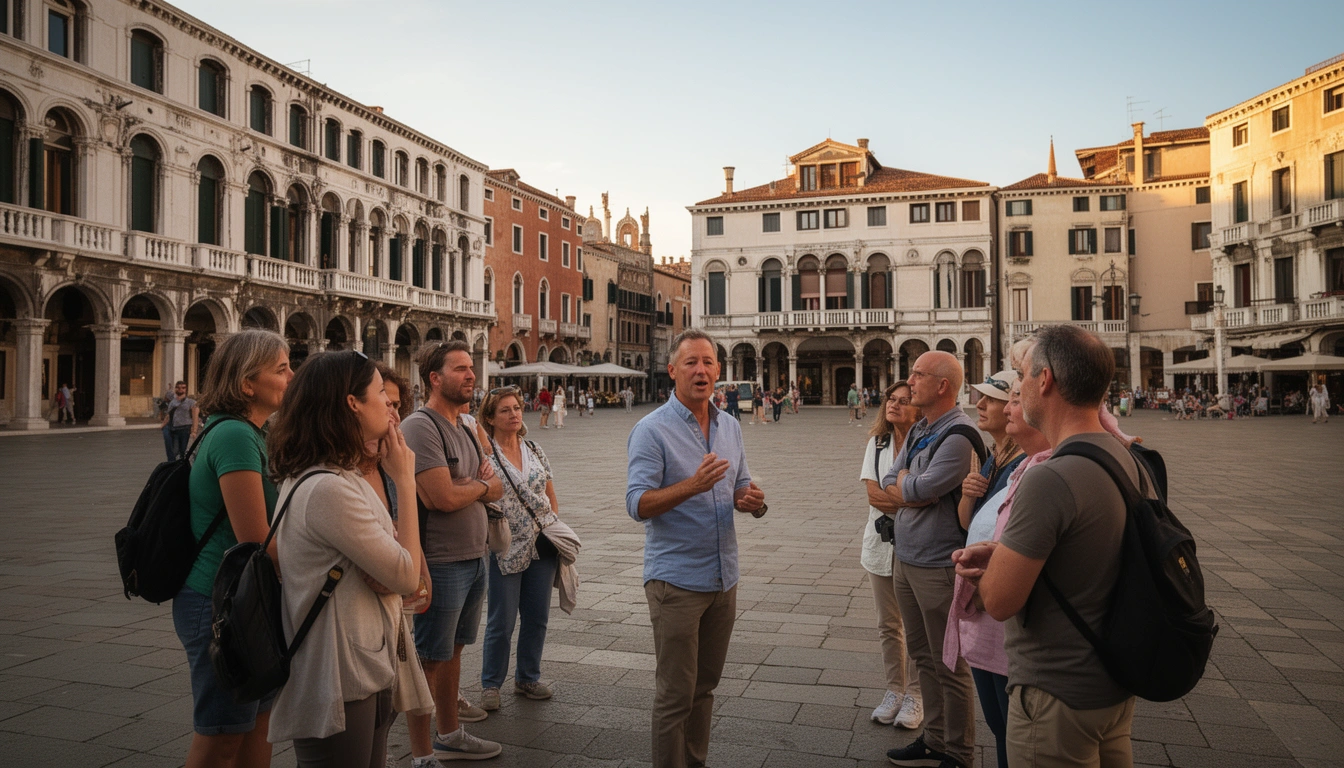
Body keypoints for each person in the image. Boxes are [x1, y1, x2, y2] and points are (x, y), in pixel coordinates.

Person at [959, 324, 1147, 768]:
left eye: (1022, 376)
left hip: (1055, 694)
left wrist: (992, 568)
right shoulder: (1128, 458)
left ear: (1044, 382)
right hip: (1112, 685)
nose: (1016, 389)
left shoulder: (1049, 477)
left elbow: (1001, 601)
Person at [265, 351, 422, 768]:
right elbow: (407, 574)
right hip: (337, 673)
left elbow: (400, 565)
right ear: (352, 403)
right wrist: (405, 481)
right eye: (379, 395)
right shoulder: (328, 489)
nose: (390, 407)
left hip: (365, 658)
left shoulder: (339, 477)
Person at [626, 329, 767, 768]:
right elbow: (637, 504)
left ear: (719, 370)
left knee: (705, 688)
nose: (701, 370)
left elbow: (741, 485)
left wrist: (753, 502)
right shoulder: (651, 430)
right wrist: (693, 485)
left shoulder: (729, 425)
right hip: (677, 580)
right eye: (691, 362)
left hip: (724, 577)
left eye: (708, 362)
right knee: (674, 695)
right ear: (672, 371)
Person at [174, 329, 292, 768]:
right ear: (247, 384)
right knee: (221, 737)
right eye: (281, 369)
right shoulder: (235, 437)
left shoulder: (250, 433)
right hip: (218, 602)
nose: (291, 376)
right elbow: (256, 539)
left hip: (240, 598)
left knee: (258, 725)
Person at [400, 341, 506, 761]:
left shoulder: (464, 426)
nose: (470, 375)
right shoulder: (419, 426)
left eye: (471, 368)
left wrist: (475, 487)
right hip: (439, 561)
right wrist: (480, 488)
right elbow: (441, 496)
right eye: (460, 368)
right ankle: (419, 751)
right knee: (426, 660)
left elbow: (490, 479)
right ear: (434, 377)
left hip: (474, 556)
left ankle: (449, 732)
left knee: (454, 653)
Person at [880, 351, 979, 768]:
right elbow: (893, 480)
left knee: (949, 664)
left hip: (938, 565)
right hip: (906, 560)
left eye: (918, 375)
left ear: (942, 386)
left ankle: (958, 752)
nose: (910, 380)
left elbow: (922, 488)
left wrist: (911, 488)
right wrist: (911, 487)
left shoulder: (957, 435)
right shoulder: (922, 428)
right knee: (922, 657)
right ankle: (935, 739)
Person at [945, 372, 1032, 768]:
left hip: (998, 599)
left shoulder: (1024, 464)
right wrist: (966, 493)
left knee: (1010, 721)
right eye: (980, 398)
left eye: (991, 399)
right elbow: (967, 523)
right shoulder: (991, 456)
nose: (979, 405)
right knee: (998, 720)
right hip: (981, 597)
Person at [476, 386, 561, 711]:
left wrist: (553, 525)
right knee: (502, 619)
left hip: (543, 544)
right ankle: (491, 684)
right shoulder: (486, 455)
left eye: (516, 408)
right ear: (490, 418)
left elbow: (550, 491)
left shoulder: (535, 448)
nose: (514, 414)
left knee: (537, 616)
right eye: (505, 410)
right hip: (504, 545)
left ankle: (527, 676)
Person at [860, 381, 924, 730]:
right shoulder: (878, 443)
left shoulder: (926, 445)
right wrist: (912, 499)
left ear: (918, 410)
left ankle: (916, 695)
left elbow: (929, 494)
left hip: (917, 544)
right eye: (891, 399)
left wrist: (903, 496)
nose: (894, 405)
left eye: (903, 401)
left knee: (915, 625)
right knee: (888, 624)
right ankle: (894, 690)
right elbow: (873, 495)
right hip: (880, 543)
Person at [161, 380, 201, 461]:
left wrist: (194, 431)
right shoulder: (172, 402)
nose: (180, 390)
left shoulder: (191, 402)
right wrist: (163, 425)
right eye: (178, 388)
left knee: (183, 452)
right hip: (174, 429)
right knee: (174, 452)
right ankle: (173, 467)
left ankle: (182, 468)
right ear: (175, 389)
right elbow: (169, 415)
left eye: (183, 388)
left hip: (185, 429)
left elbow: (195, 417)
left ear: (186, 389)